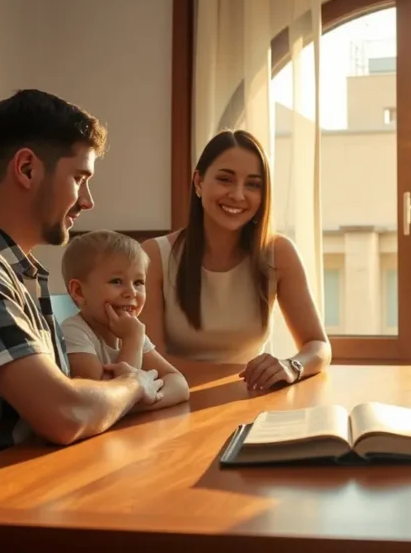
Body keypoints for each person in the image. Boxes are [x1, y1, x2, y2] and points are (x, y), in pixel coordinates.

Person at [0, 89, 162, 487]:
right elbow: (64, 414)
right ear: (26, 169)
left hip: (30, 489)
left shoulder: (9, 270)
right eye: (79, 178)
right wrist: (134, 384)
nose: (88, 201)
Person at [140, 130, 331, 390]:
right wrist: (242, 373)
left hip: (249, 398)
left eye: (253, 184)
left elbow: (318, 345)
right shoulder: (153, 256)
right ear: (199, 182)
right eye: (225, 179)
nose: (238, 195)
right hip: (174, 399)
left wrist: (292, 366)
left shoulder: (279, 253)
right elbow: (150, 361)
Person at [59, 230, 190, 410]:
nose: (131, 292)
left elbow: (179, 384)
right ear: (79, 291)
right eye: (116, 281)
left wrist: (146, 401)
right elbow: (100, 402)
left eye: (138, 282)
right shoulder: (74, 331)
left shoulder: (132, 331)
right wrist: (131, 341)